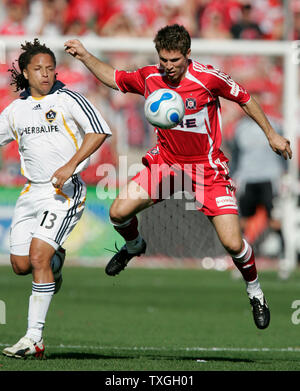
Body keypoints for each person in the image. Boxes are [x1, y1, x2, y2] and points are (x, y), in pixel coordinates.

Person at [65, 24, 292, 331]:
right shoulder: (150, 77)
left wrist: (271, 135)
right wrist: (85, 56)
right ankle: (134, 246)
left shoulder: (208, 78)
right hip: (167, 165)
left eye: (175, 60)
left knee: (233, 243)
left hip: (207, 170)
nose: (168, 67)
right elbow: (114, 78)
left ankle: (255, 291)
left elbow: (246, 98)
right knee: (118, 212)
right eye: (164, 60)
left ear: (188, 55)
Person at [1, 38, 111, 358]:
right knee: (20, 265)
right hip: (30, 191)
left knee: (37, 258)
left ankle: (34, 338)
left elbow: (99, 131)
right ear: (25, 72)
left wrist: (71, 165)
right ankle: (56, 263)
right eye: (39, 69)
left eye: (50, 68)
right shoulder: (16, 109)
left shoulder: (68, 99)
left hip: (64, 192)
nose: (46, 75)